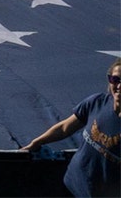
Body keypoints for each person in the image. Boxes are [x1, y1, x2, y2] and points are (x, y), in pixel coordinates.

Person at [21, 58, 120, 197]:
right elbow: (64, 128)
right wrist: (37, 142)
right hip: (70, 185)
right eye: (116, 80)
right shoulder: (96, 103)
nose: (119, 86)